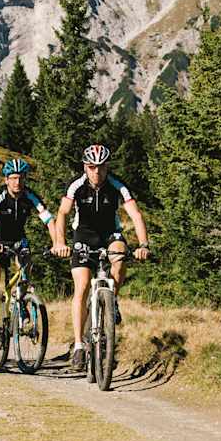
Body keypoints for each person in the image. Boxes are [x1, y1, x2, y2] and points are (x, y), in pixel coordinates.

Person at [51, 144, 150, 371]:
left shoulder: (117, 185)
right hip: (83, 235)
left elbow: (135, 214)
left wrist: (143, 244)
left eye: (101, 167)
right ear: (85, 167)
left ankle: (112, 299)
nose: (97, 172)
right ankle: (78, 345)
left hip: (109, 234)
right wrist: (59, 242)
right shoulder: (76, 186)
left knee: (120, 256)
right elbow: (63, 213)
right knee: (82, 285)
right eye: (92, 167)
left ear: (107, 167)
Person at [0, 159, 58, 350]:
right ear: (6, 179)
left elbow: (48, 219)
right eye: (13, 178)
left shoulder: (30, 195)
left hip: (18, 241)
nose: (17, 182)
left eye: (21, 178)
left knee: (25, 271)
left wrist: (57, 243)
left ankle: (22, 302)